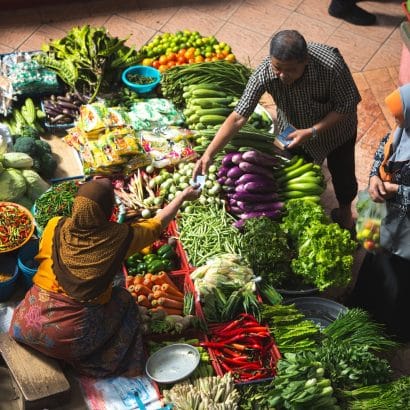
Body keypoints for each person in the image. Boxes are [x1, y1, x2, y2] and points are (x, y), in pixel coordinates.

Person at [9, 178, 200, 377]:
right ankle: (92, 359)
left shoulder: (54, 225)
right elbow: (156, 225)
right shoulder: (119, 238)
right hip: (67, 340)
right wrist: (182, 197)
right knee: (123, 298)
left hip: (24, 325)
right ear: (107, 211)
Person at [194, 30, 361, 231]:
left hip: (336, 130)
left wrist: (311, 131)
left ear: (305, 61)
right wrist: (208, 155)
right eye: (277, 68)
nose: (282, 75)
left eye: (290, 70)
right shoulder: (265, 72)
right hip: (292, 128)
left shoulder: (330, 65)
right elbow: (238, 116)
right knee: (292, 170)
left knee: (344, 177)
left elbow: (346, 106)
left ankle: (346, 216)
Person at [347, 83, 410, 341]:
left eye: (400, 114)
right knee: (374, 259)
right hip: (385, 217)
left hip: (406, 233)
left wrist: (397, 190)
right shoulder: (401, 131)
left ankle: (393, 329)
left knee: (399, 279)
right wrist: (374, 177)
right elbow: (382, 151)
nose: (395, 119)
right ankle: (361, 308)